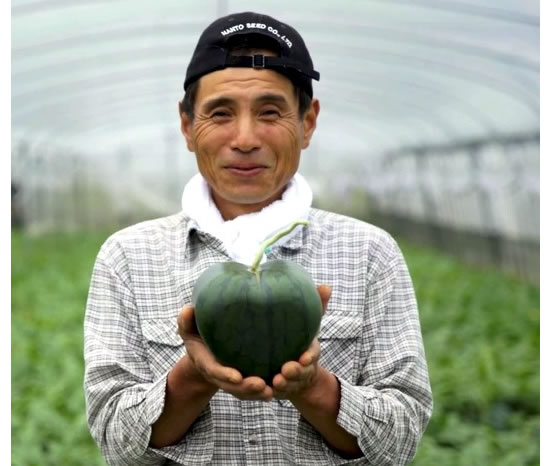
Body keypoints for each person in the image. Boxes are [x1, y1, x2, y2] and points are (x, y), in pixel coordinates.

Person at [84, 11, 432, 466]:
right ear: (187, 125)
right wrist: (193, 377)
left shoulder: (370, 253)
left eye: (270, 112)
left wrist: (314, 388)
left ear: (308, 122)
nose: (245, 138)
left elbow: (401, 440)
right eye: (220, 113)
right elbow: (113, 441)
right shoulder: (128, 257)